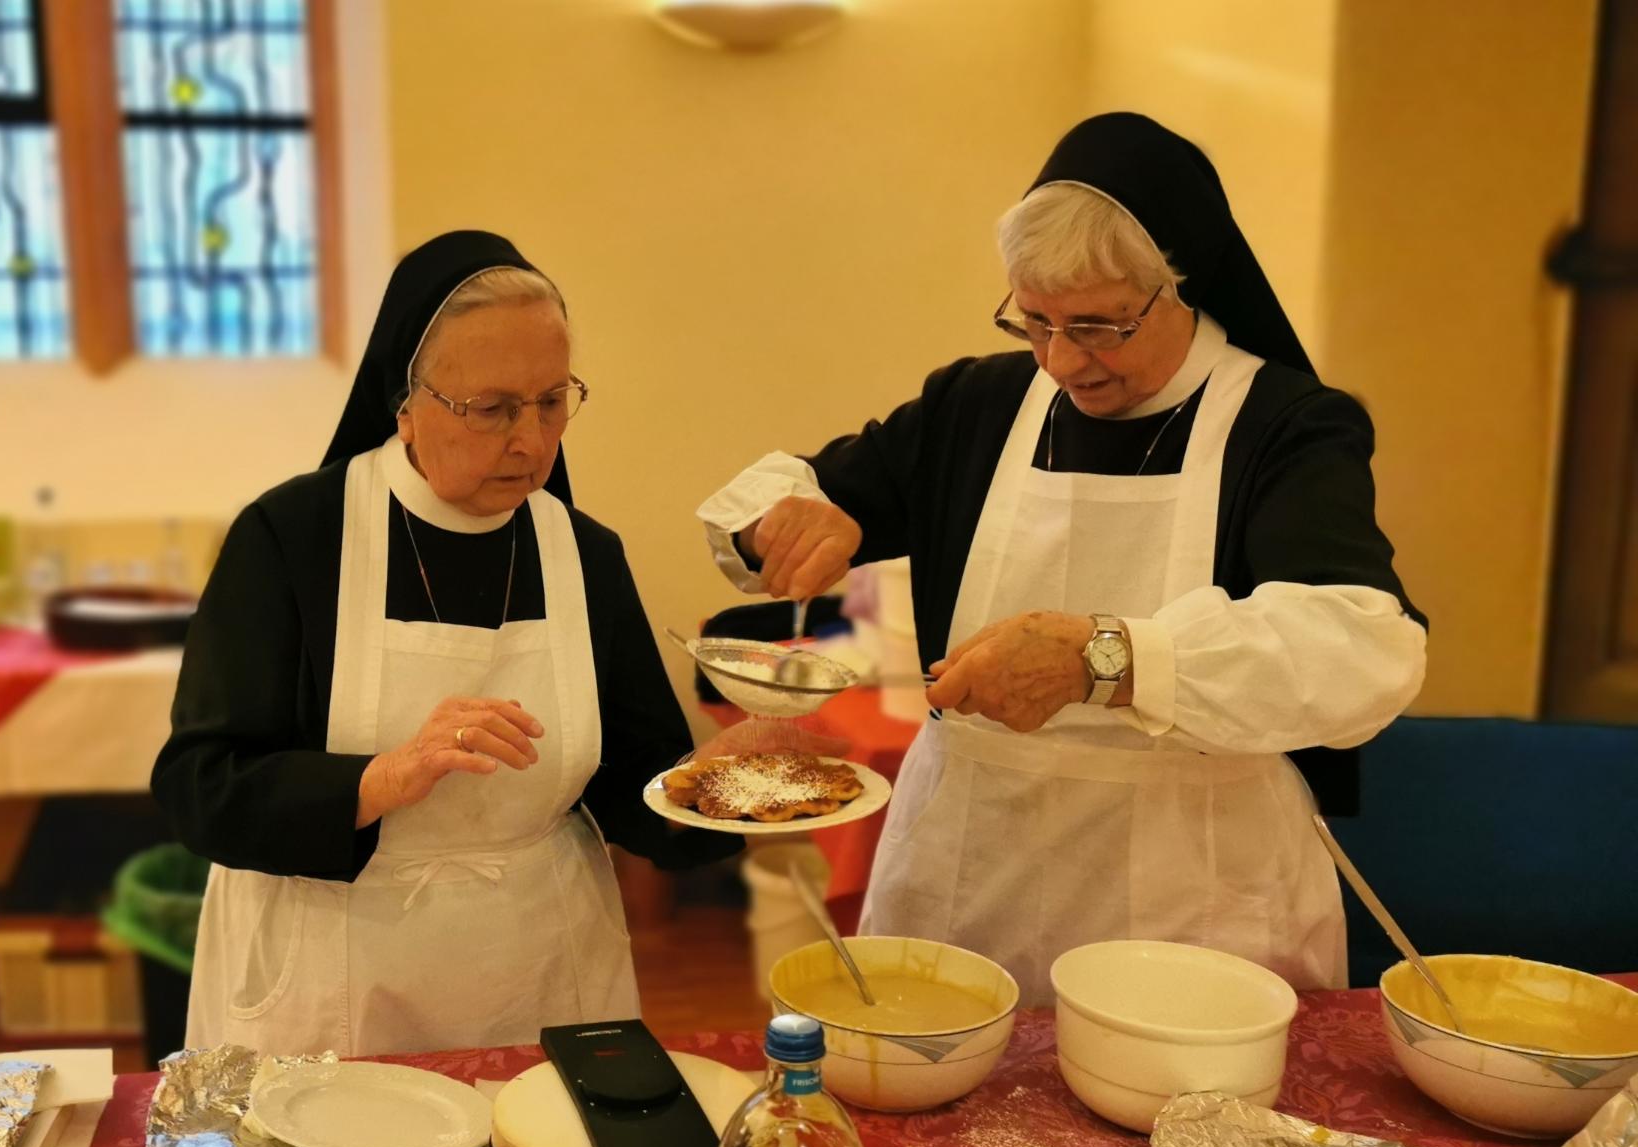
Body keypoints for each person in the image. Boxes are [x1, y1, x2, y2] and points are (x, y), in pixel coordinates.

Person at [696, 114, 1427, 1003]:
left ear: (1180, 283)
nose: (1063, 360)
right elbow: (772, 494)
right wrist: (785, 519)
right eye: (1033, 321)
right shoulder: (981, 402)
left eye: (1100, 326)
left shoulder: (1285, 425)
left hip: (1193, 887)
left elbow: (1362, 649)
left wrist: (1102, 659)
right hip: (972, 870)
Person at [155, 231, 746, 1057]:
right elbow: (199, 786)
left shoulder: (584, 553)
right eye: (493, 408)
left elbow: (635, 783)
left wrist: (725, 787)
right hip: (334, 971)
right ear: (406, 402)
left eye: (552, 401)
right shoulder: (290, 538)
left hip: (537, 966)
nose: (532, 440)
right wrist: (381, 776)